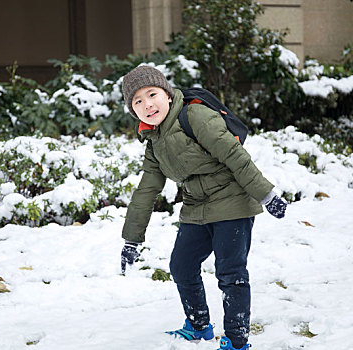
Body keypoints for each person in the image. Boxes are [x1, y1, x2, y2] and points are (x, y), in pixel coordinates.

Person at [119, 65, 287, 350]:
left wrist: (266, 195)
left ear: (167, 94)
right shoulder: (154, 141)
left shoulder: (194, 116)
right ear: (133, 110)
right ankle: (198, 325)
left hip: (233, 201)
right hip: (196, 206)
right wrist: (131, 239)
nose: (147, 104)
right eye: (137, 101)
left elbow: (234, 155)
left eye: (152, 94)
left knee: (230, 273)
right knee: (181, 266)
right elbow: (146, 191)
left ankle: (236, 341)